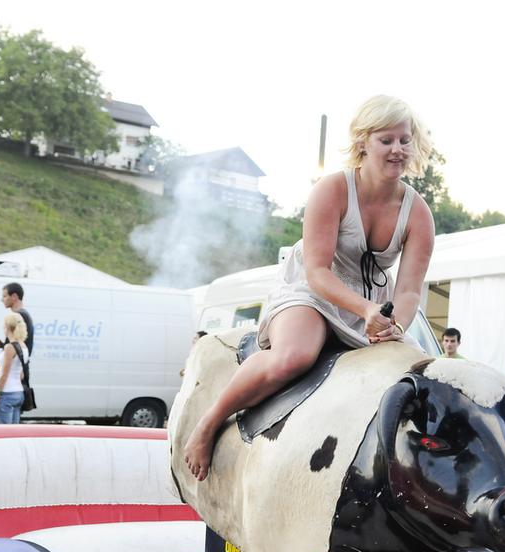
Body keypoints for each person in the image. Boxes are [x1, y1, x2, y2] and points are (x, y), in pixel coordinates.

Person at [183, 95, 435, 481]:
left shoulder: (418, 213)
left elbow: (410, 292)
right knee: (295, 356)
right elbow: (317, 271)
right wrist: (366, 310)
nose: (398, 149)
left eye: (405, 140)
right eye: (386, 140)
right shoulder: (332, 189)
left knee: (418, 371)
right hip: (313, 290)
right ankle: (210, 422)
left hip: (372, 307)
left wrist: (394, 325)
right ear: (364, 142)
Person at [0, 312, 31, 424]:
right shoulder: (23, 346)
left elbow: (4, 375)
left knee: (3, 431)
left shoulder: (9, 347)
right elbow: (21, 374)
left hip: (6, 394)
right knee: (13, 431)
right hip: (18, 393)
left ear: (7, 328)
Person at [1, 282, 34, 355]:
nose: (2, 300)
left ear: (14, 296)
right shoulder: (24, 314)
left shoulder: (18, 316)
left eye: (4, 296)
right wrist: (0, 344)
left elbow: (15, 346)